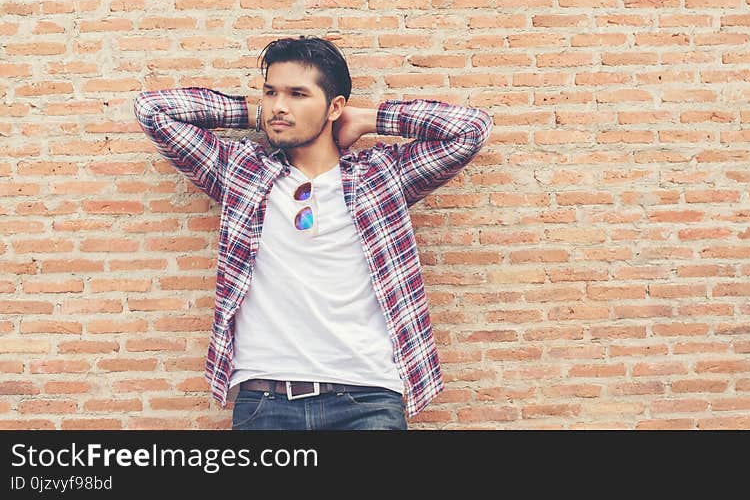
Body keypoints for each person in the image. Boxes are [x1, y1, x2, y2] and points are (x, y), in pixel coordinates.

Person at [133, 36, 492, 430]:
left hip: (367, 400)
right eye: (271, 92)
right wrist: (258, 114)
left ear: (334, 106)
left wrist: (371, 119)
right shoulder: (241, 171)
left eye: (298, 94)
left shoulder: (381, 175)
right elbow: (153, 111)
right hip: (265, 403)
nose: (279, 105)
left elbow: (470, 130)